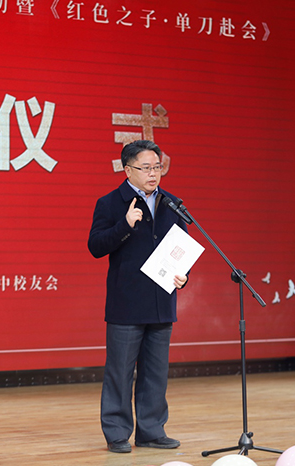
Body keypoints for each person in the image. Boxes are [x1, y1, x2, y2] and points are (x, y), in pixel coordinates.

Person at [88, 140, 190, 454]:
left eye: (157, 167)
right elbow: (96, 246)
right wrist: (125, 225)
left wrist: (183, 275)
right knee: (120, 372)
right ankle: (117, 433)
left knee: (155, 373)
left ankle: (152, 431)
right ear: (127, 170)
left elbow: (182, 248)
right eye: (145, 168)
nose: (153, 174)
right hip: (126, 303)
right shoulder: (110, 203)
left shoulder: (172, 204)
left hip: (161, 302)